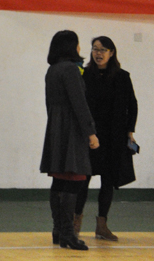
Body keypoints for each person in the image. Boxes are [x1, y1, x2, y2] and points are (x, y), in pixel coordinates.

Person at [39, 30, 99, 251]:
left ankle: (59, 230)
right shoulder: (71, 70)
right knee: (74, 180)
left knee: (59, 180)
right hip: (72, 130)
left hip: (56, 129)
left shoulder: (52, 70)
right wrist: (90, 132)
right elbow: (79, 104)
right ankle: (68, 233)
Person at [74, 36, 138, 241]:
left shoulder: (122, 76)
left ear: (112, 53)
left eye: (103, 50)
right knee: (83, 180)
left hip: (114, 138)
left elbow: (132, 105)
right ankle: (75, 225)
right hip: (90, 136)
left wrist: (130, 131)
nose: (98, 53)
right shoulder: (84, 75)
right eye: (95, 49)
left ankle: (102, 226)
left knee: (108, 182)